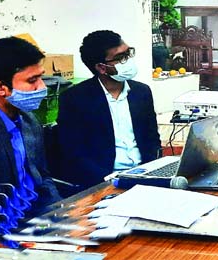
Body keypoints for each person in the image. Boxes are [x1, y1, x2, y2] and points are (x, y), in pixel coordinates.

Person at [0, 37, 60, 225]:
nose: (42, 87)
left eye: (41, 77)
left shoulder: (29, 120)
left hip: (35, 221)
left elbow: (42, 177)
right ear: (0, 88)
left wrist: (61, 213)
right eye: (32, 80)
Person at [57, 30, 160, 190]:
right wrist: (106, 179)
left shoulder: (141, 92)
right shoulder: (75, 98)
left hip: (146, 175)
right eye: (120, 58)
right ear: (101, 67)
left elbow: (152, 137)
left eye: (128, 53)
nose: (128, 61)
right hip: (104, 180)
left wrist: (154, 168)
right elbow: (73, 152)